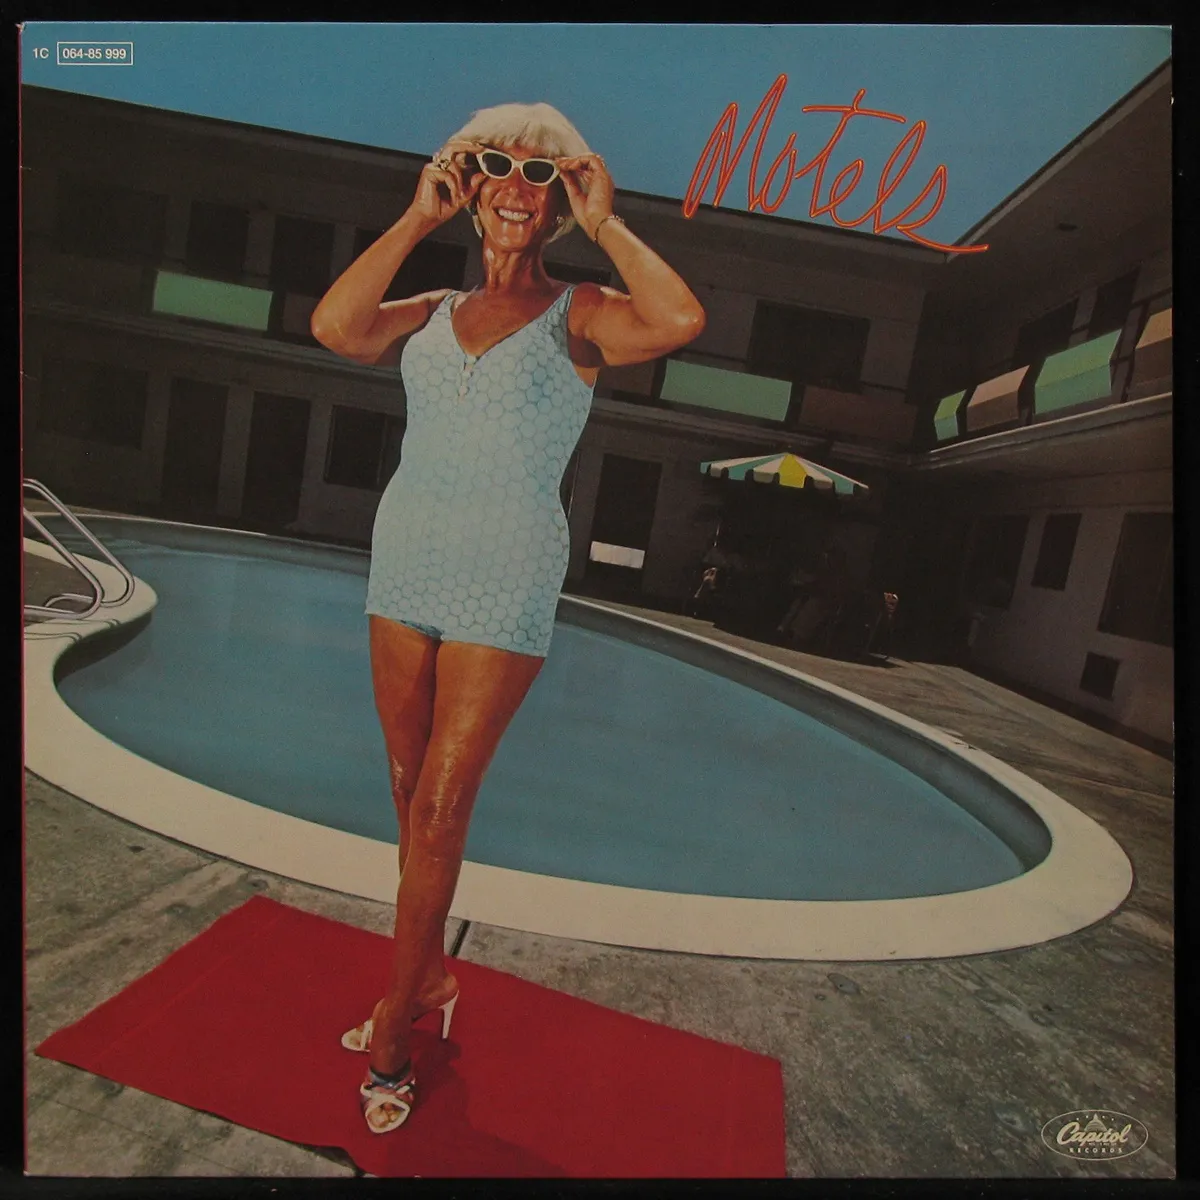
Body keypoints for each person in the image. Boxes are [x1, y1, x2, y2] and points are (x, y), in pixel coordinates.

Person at [310, 102, 705, 1134]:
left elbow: (678, 321)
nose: (516, 188)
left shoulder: (583, 311)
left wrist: (608, 222)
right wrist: (415, 217)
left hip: (508, 573)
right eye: (495, 166)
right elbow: (336, 328)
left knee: (443, 805)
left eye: (541, 174)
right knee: (407, 789)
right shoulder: (430, 309)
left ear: (560, 198)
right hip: (407, 560)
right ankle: (432, 979)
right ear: (469, 183)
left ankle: (395, 1031)